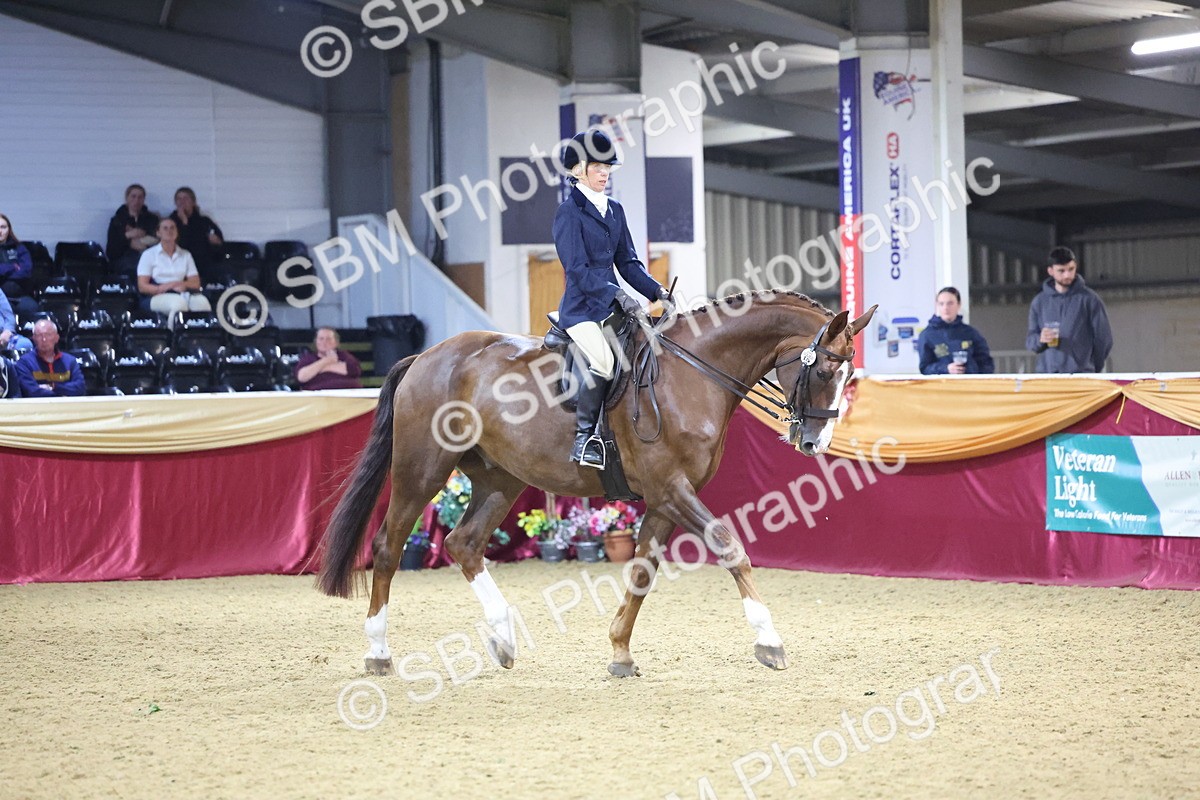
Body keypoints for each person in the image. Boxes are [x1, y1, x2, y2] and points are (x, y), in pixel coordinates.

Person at [553, 129, 673, 467]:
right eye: (596, 167)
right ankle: (584, 438)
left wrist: (656, 291)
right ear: (579, 170)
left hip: (612, 307)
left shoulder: (614, 210)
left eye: (607, 167)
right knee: (605, 362)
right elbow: (576, 270)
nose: (604, 173)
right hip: (581, 310)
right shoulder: (569, 212)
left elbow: (628, 262)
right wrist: (616, 293)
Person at [1026, 246, 1113, 373]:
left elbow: (1103, 338)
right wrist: (1040, 339)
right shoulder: (1039, 302)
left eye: (1071, 269)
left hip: (1081, 375)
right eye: (1061, 271)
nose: (1067, 275)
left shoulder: (1089, 300)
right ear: (1051, 271)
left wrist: (1093, 368)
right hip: (1048, 376)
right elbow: (1030, 341)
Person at [136, 217, 212, 325]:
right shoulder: (149, 255)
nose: (169, 231)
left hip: (181, 292)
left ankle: (201, 338)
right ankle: (174, 337)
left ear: (177, 232)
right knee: (178, 304)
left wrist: (177, 284)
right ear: (158, 233)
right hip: (156, 295)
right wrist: (161, 288)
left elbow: (195, 283)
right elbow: (142, 286)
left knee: (202, 303)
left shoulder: (185, 255)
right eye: (165, 228)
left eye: (172, 228)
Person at [917, 287, 994, 375]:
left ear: (959, 304)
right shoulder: (927, 335)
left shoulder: (970, 333)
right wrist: (946, 369)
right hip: (943, 386)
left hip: (969, 385)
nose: (946, 308)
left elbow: (986, 362)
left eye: (950, 303)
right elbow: (925, 368)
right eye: (941, 304)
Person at [14, 317, 85, 397]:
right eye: (39, 335)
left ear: (56, 338)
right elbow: (30, 391)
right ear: (33, 338)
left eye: (48, 335)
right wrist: (62, 393)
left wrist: (53, 387)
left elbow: (80, 388)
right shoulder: (25, 362)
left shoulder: (70, 361)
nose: (44, 339)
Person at [169, 186, 224, 282]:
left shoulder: (204, 221)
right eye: (179, 199)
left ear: (193, 202)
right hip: (179, 264)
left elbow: (219, 243)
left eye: (186, 198)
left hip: (204, 263)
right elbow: (180, 244)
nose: (182, 202)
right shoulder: (170, 222)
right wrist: (184, 223)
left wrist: (216, 242)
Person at [106, 183, 160, 276]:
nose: (136, 200)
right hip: (125, 260)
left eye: (140, 197)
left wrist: (141, 240)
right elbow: (111, 250)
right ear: (127, 198)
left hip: (148, 257)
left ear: (144, 200)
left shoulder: (152, 219)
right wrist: (128, 237)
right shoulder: (117, 220)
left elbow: (157, 239)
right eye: (133, 196)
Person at [294, 327, 363, 390]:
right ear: (316, 342)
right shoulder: (308, 358)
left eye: (329, 339)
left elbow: (355, 370)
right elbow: (301, 377)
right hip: (319, 397)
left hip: (348, 395)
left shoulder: (344, 356)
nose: (324, 342)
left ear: (336, 343)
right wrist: (327, 360)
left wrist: (318, 369)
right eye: (321, 339)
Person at [0, 213, 38, 317]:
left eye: (3, 227)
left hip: (21, 297)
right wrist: (12, 267)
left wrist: (4, 273)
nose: (0, 231)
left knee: (33, 308)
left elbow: (26, 271)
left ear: (9, 229)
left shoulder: (19, 248)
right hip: (1, 298)